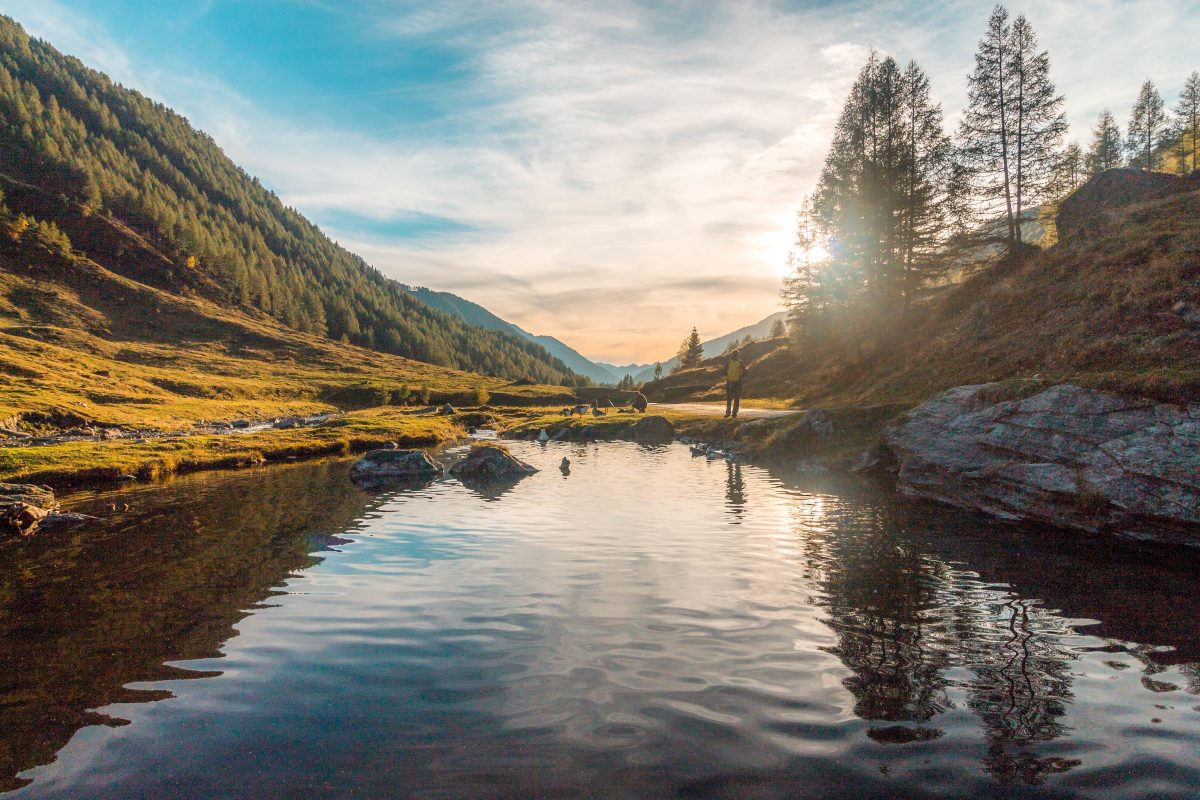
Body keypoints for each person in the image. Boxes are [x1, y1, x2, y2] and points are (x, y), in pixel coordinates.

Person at [724, 348, 746, 418]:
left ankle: (727, 413)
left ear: (732, 354)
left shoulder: (728, 362)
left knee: (729, 398)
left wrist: (727, 376)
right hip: (738, 382)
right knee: (736, 398)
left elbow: (724, 371)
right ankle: (734, 413)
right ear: (738, 355)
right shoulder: (740, 362)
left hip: (729, 382)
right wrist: (740, 377)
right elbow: (745, 371)